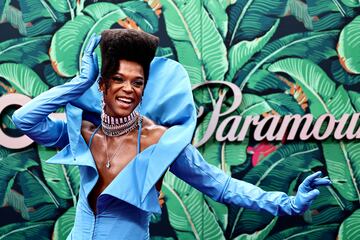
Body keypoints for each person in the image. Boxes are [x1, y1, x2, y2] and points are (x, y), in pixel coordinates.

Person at [12, 29, 331, 240]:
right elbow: (25, 119)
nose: (127, 89)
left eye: (137, 82)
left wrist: (289, 203)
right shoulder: (84, 129)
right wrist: (78, 83)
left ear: (144, 89)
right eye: (118, 79)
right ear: (103, 84)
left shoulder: (160, 140)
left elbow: (221, 186)